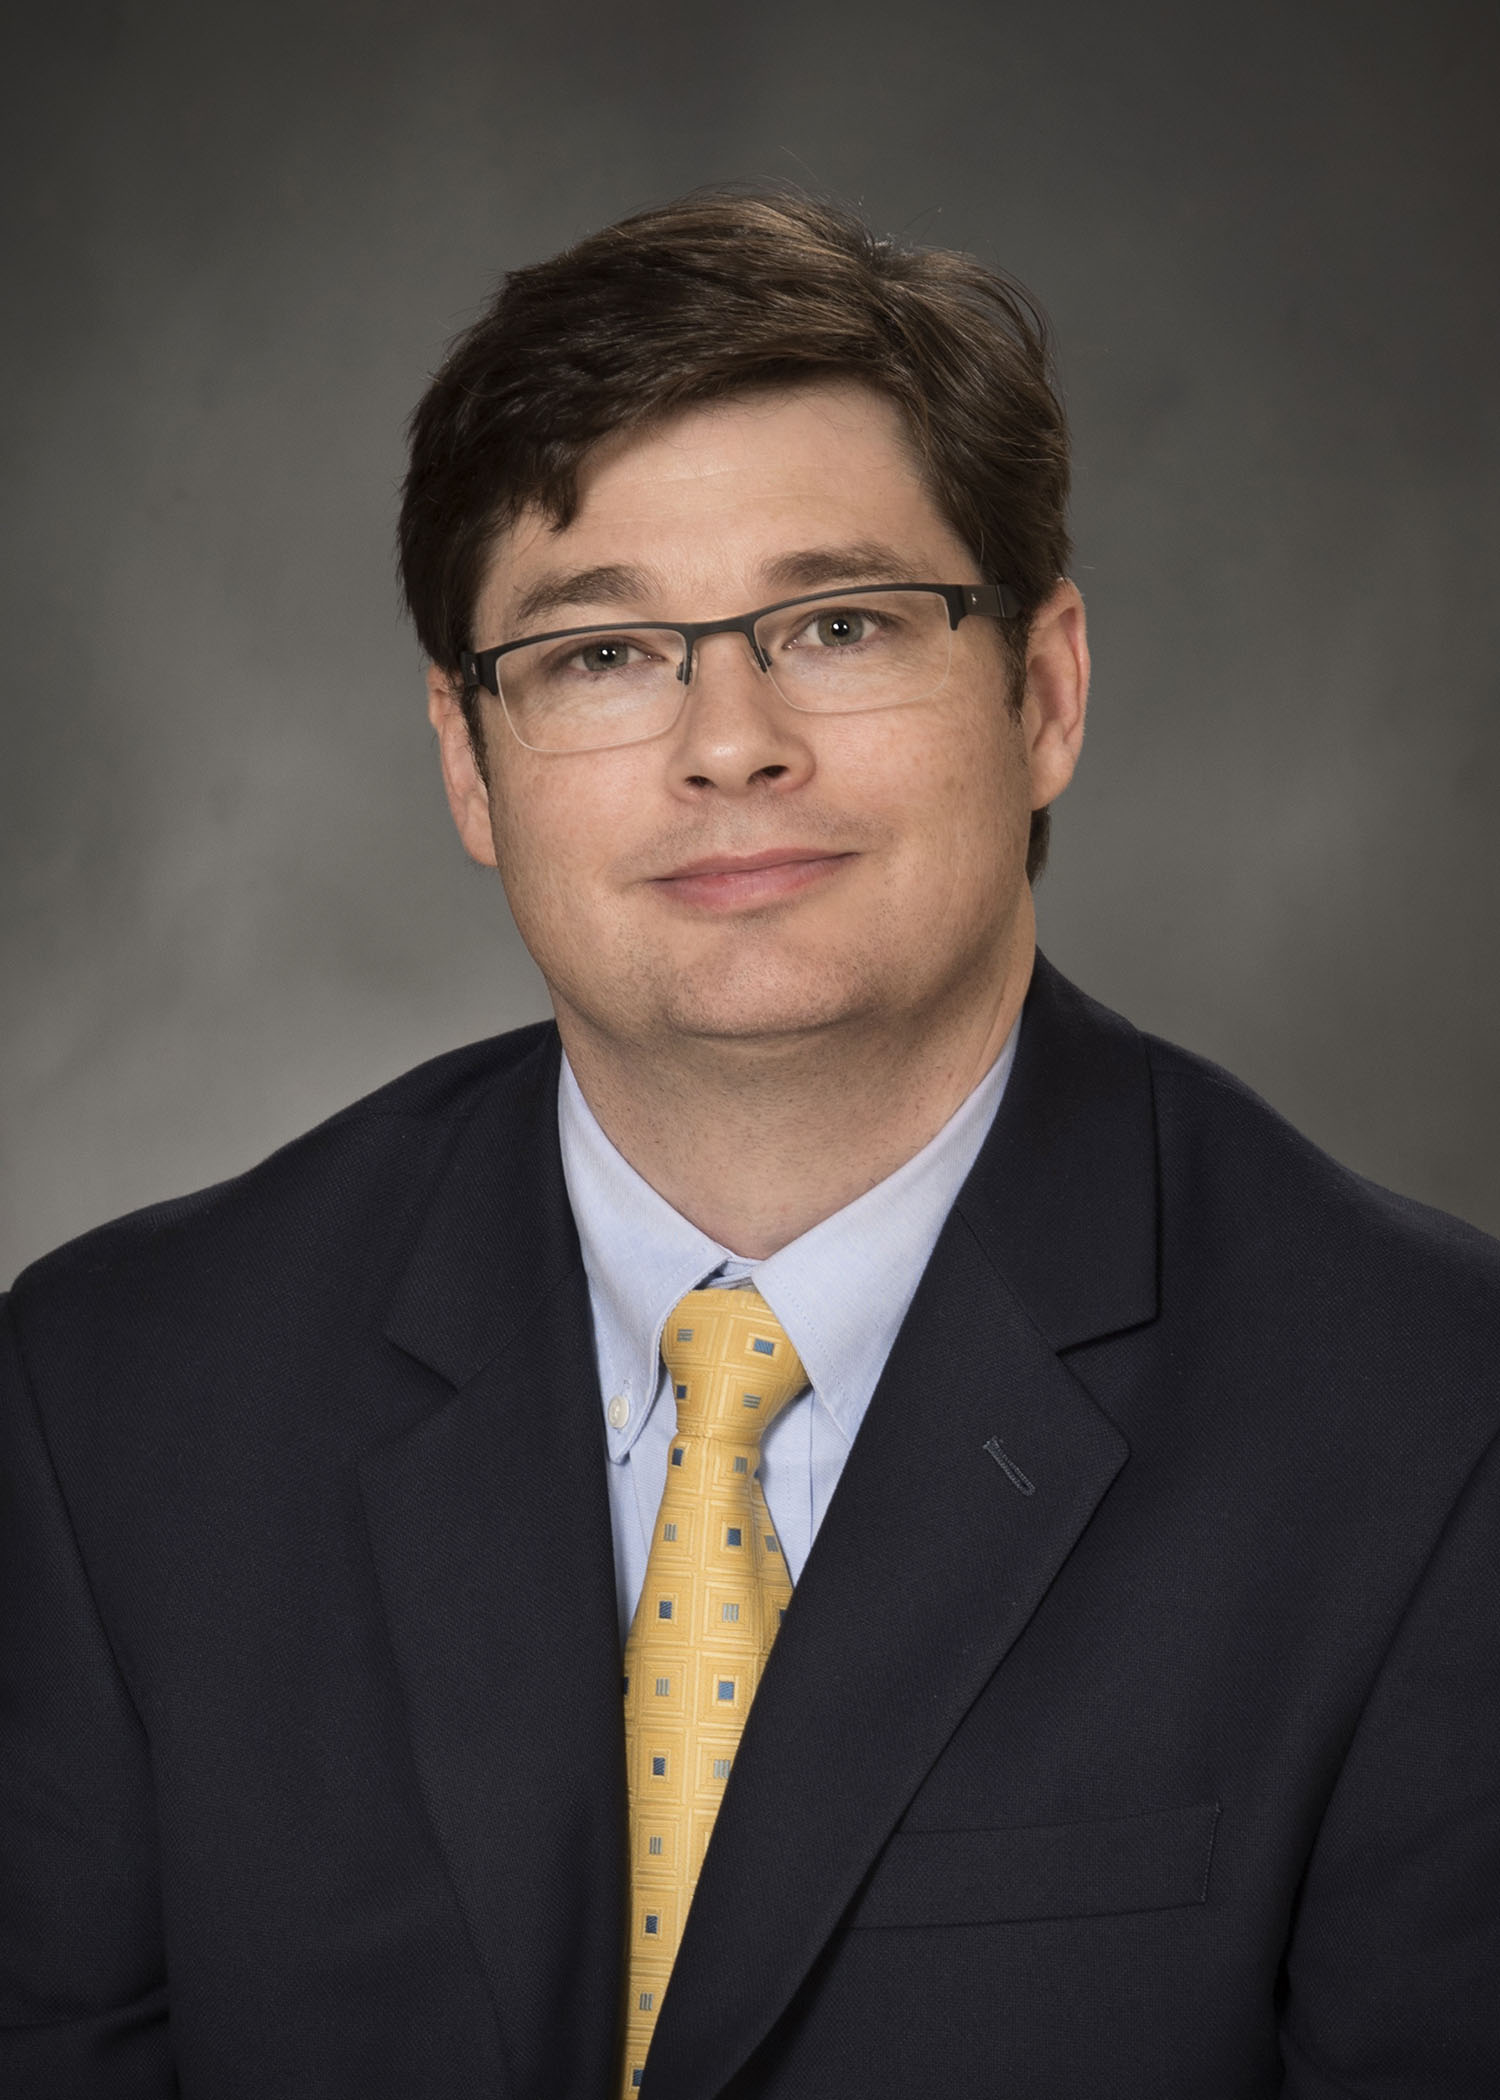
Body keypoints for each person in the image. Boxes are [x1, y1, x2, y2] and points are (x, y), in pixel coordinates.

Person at [2, 188, 1496, 2100]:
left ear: (1043, 693)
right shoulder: (115, 1399)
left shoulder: (1440, 1429)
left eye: (842, 621)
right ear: (470, 762)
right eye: (603, 655)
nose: (731, 744)